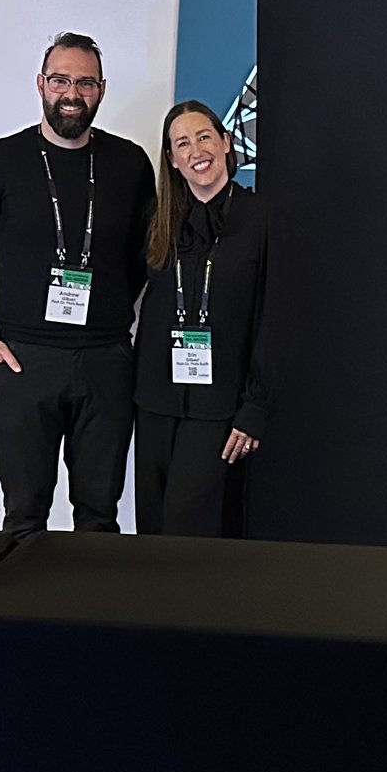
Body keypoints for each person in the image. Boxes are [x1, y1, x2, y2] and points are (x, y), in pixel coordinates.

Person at [0, 33, 155, 538]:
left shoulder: (130, 163)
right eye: (61, 80)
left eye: (85, 83)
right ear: (41, 84)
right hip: (25, 360)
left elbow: (147, 257)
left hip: (106, 360)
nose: (72, 94)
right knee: (24, 515)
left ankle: (92, 594)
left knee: (99, 514)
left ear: (101, 90)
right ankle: (20, 593)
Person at [134, 100, 272, 537]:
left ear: (226, 143)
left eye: (204, 137)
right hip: (154, 401)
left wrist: (255, 408)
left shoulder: (262, 219)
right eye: (182, 143)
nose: (196, 151)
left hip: (220, 406)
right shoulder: (158, 221)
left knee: (187, 526)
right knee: (152, 526)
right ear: (172, 160)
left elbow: (276, 322)